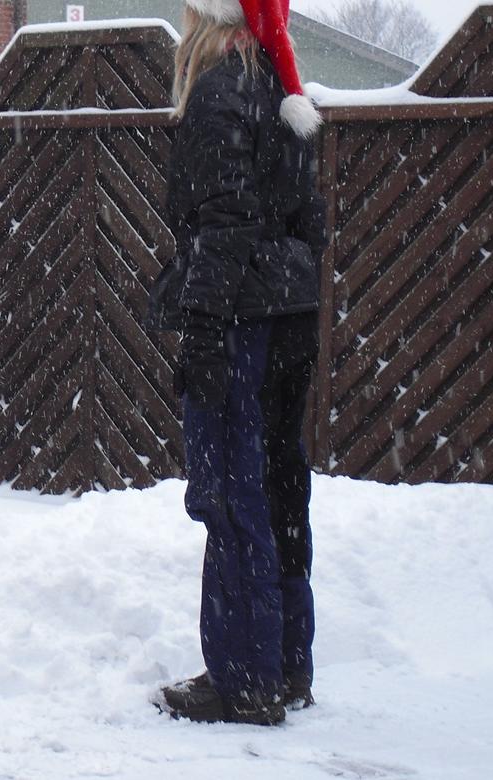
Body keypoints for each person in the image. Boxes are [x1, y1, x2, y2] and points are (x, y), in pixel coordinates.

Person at [146, 0, 327, 726]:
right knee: (282, 488)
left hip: (239, 319)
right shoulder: (284, 96)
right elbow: (306, 219)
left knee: (231, 493)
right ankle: (286, 664)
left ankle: (244, 677)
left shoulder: (221, 88)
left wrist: (202, 328)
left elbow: (224, 218)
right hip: (287, 314)